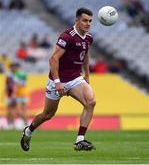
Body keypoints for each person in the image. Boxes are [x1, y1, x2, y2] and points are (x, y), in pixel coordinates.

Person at [20, 8, 96, 151]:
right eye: (85, 20)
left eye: (90, 21)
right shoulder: (67, 36)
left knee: (91, 102)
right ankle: (28, 131)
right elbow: (53, 58)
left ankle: (80, 140)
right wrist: (57, 82)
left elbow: (85, 54)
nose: (88, 24)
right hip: (58, 80)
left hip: (75, 79)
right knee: (47, 114)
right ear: (77, 20)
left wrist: (87, 74)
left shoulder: (89, 38)